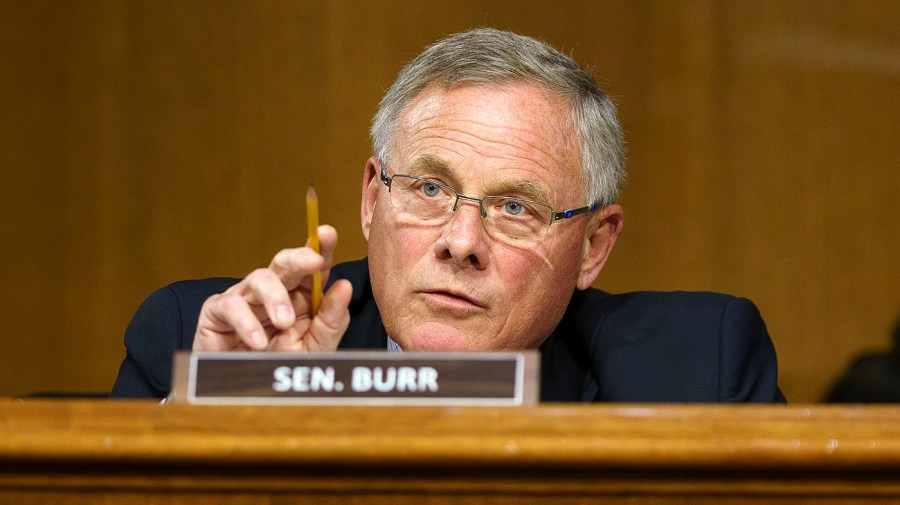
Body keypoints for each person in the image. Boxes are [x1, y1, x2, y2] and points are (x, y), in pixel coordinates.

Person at [111, 28, 785, 402]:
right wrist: (215, 421)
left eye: (516, 206)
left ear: (592, 247)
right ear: (374, 199)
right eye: (430, 190)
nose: (461, 242)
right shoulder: (199, 349)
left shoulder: (696, 373)